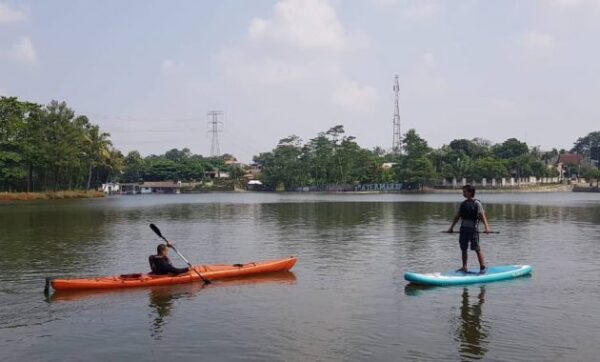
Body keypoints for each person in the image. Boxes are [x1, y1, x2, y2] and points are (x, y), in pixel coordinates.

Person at [448, 184, 491, 274]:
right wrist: (451, 228)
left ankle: (482, 268)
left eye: (464, 192)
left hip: (473, 230)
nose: (463, 193)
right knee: (463, 249)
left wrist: (487, 227)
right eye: (463, 192)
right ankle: (464, 267)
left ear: (470, 192)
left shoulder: (477, 203)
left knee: (476, 249)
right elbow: (457, 217)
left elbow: (482, 216)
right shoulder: (463, 204)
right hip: (463, 230)